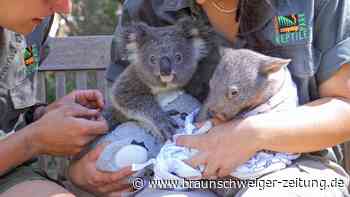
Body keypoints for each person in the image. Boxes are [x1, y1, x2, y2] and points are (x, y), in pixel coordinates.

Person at [105, 0, 350, 196]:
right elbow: (123, 101)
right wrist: (82, 166)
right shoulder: (146, 9)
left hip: (292, 165)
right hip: (184, 167)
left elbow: (344, 107)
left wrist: (254, 133)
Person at [0, 0, 134, 196]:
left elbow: (15, 101)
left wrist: (42, 115)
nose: (65, 8)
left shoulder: (35, 25)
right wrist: (33, 141)